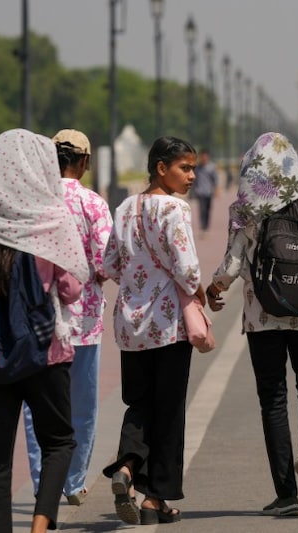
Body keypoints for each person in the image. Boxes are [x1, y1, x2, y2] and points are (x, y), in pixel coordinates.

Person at [0, 128, 88, 533]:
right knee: (59, 442)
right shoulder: (53, 218)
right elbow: (72, 289)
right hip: (44, 352)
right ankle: (41, 522)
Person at [205, 132, 298, 517]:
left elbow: (232, 262)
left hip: (261, 314)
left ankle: (286, 495)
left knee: (273, 398)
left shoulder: (250, 206)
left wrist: (215, 290)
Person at [99, 136, 204, 526]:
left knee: (139, 404)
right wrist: (199, 290)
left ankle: (126, 468)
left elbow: (109, 263)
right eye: (185, 167)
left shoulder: (125, 206)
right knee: (170, 410)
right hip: (168, 324)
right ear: (162, 168)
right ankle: (155, 498)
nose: (192, 175)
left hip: (130, 325)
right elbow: (188, 269)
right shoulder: (175, 208)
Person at [21, 129, 112, 506]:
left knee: (35, 407)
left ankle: (45, 478)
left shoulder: (32, 201)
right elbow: (106, 260)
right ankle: (73, 481)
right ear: (85, 163)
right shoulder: (93, 203)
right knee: (82, 404)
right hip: (84, 319)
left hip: (36, 317)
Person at [188, 147, 219, 233]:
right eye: (202, 156)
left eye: (206, 156)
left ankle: (206, 225)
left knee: (208, 209)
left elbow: (215, 179)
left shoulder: (212, 167)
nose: (204, 158)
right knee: (202, 209)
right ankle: (203, 226)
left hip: (209, 192)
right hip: (200, 192)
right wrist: (191, 190)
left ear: (208, 157)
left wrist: (216, 190)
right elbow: (194, 180)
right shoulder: (197, 168)